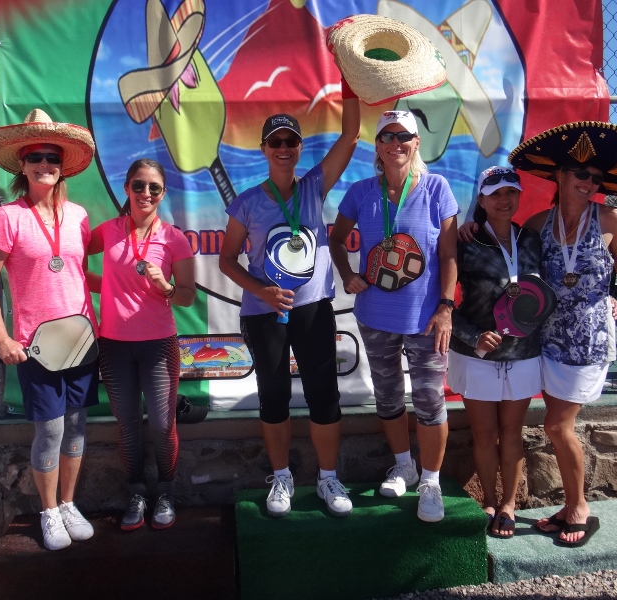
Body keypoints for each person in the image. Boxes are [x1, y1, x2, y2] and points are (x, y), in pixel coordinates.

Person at [507, 121, 617, 546]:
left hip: (588, 340)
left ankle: (579, 507)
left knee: (558, 426)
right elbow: (520, 272)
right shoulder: (538, 223)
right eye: (581, 174)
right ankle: (569, 506)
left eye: (596, 178)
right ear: (560, 175)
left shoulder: (611, 218)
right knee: (557, 428)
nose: (589, 183)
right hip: (548, 338)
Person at [218, 76, 360, 518]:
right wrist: (261, 289)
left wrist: (350, 81)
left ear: (299, 148)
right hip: (265, 313)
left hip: (313, 308)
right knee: (274, 395)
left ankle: (328, 477)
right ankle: (281, 478)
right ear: (263, 149)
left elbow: (351, 135)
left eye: (290, 141)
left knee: (324, 394)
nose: (283, 148)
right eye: (275, 142)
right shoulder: (246, 203)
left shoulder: (313, 187)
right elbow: (227, 261)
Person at [0, 109, 99, 551]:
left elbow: (78, 274)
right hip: (36, 347)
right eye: (35, 157)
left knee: (77, 427)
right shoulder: (8, 217)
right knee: (50, 431)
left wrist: (127, 285)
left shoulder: (78, 216)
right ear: (22, 166)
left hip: (82, 342)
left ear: (62, 166)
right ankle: (48, 512)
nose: (45, 164)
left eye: (52, 157)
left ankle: (68, 503)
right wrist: (3, 339)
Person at [329, 110, 458, 523]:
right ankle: (404, 466)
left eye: (404, 136)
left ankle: (431, 481)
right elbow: (336, 238)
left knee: (429, 399)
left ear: (416, 143)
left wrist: (446, 307)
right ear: (378, 146)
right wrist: (347, 274)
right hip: (375, 315)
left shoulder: (437, 188)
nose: (395, 143)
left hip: (426, 318)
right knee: (386, 395)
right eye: (387, 136)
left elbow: (449, 254)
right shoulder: (361, 191)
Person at [89, 158, 196, 531]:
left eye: (154, 187)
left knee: (163, 425)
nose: (145, 193)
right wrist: (103, 285)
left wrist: (165, 287)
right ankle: (136, 492)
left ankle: (166, 491)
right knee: (128, 424)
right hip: (114, 345)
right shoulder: (109, 231)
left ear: (163, 194)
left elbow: (187, 296)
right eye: (138, 185)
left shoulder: (174, 238)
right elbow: (72, 257)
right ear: (127, 188)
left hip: (158, 345)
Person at [448, 166, 542, 537]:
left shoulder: (532, 240)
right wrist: (473, 336)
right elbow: (440, 301)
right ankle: (489, 499)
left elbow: (555, 290)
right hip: (477, 355)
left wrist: (608, 300)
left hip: (523, 352)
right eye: (495, 193)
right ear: (482, 200)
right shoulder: (465, 241)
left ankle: (509, 504)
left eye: (510, 192)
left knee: (512, 433)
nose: (504, 200)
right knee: (485, 434)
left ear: (519, 196)